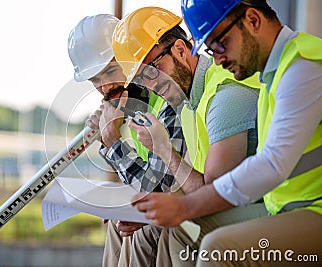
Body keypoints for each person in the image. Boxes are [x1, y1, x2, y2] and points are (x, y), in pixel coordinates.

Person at [132, 0, 322, 266]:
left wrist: (185, 206)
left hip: (313, 210)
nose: (217, 59)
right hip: (284, 206)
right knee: (184, 231)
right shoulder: (274, 72)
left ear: (253, 20)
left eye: (220, 43)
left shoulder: (303, 66)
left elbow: (272, 164)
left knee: (217, 248)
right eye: (210, 49)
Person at [110, 6, 261, 266]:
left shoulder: (224, 96)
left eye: (153, 70)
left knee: (177, 229)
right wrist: (149, 209)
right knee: (133, 227)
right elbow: (190, 184)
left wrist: (163, 149)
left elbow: (214, 194)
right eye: (140, 80)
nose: (150, 85)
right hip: (231, 200)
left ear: (180, 50)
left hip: (261, 205)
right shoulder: (188, 100)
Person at [67, 14, 186, 267]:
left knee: (137, 230)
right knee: (116, 224)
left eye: (110, 71)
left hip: (190, 206)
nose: (105, 86)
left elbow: (155, 191)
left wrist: (112, 144)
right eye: (95, 80)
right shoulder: (131, 106)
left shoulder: (166, 99)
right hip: (175, 200)